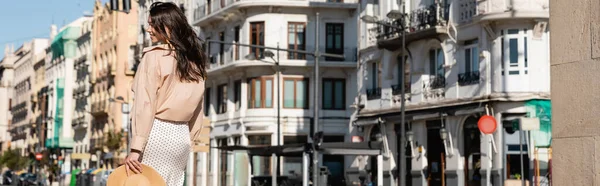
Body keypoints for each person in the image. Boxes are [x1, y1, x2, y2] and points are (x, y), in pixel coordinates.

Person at [123, 1, 208, 185]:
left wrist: (136, 149)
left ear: (167, 27)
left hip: (156, 133)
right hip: (181, 136)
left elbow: (145, 104)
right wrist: (190, 138)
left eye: (153, 24)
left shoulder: (153, 56)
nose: (148, 29)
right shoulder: (195, 61)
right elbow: (198, 107)